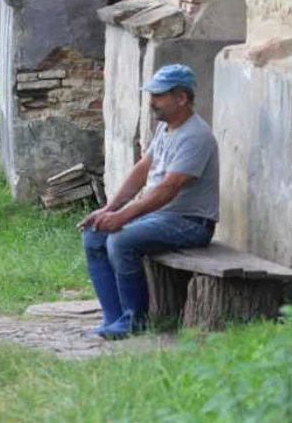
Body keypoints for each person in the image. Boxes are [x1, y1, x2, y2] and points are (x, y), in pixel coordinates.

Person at [77, 64, 219, 340]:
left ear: (181, 98)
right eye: (151, 95)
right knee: (95, 234)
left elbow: (168, 189)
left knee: (120, 240)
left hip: (190, 223)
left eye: (159, 95)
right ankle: (114, 318)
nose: (152, 102)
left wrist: (124, 217)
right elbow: (143, 169)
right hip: (162, 217)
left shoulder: (196, 136)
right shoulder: (166, 128)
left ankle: (135, 319)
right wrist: (110, 209)